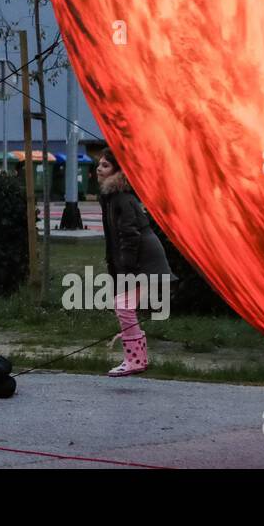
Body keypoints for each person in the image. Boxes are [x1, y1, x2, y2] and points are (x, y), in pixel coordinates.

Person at [95, 149, 172, 376]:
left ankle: (135, 360)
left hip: (143, 259)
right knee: (124, 306)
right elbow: (114, 238)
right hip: (135, 260)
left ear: (118, 172)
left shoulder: (122, 198)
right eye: (99, 164)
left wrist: (127, 266)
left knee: (124, 306)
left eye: (106, 165)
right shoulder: (111, 197)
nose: (99, 168)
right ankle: (136, 359)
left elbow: (130, 234)